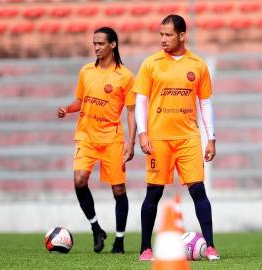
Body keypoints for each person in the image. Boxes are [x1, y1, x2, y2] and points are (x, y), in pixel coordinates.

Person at [133, 14, 220, 261]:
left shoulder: (197, 64)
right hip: (159, 138)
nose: (163, 39)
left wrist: (211, 138)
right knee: (154, 193)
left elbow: (205, 103)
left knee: (198, 191)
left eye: (168, 34)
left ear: (182, 35)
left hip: (188, 138)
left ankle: (211, 246)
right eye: (161, 34)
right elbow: (141, 101)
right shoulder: (151, 63)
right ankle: (145, 248)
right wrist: (143, 133)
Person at [57, 27, 136, 254]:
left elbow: (131, 111)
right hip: (86, 136)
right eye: (94, 43)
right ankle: (96, 228)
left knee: (118, 190)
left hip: (112, 138)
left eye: (101, 43)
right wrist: (68, 109)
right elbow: (80, 101)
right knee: (79, 180)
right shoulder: (86, 71)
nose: (97, 47)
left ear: (113, 44)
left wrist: (131, 143)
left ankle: (119, 240)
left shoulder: (126, 76)